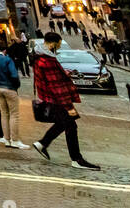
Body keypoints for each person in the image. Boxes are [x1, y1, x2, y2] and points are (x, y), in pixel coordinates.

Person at [31, 32, 99, 170]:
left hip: (51, 99)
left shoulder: (41, 58)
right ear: (53, 43)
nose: (60, 47)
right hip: (57, 100)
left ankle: (43, 143)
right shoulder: (47, 61)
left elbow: (50, 79)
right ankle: (76, 159)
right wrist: (68, 106)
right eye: (59, 44)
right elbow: (55, 86)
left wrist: (65, 73)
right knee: (71, 126)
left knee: (64, 124)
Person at [0, 38, 27, 149]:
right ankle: (15, 140)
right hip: (9, 88)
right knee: (14, 114)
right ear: (4, 50)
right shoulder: (7, 59)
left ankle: (6, 139)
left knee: (4, 114)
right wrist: (15, 86)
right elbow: (14, 75)